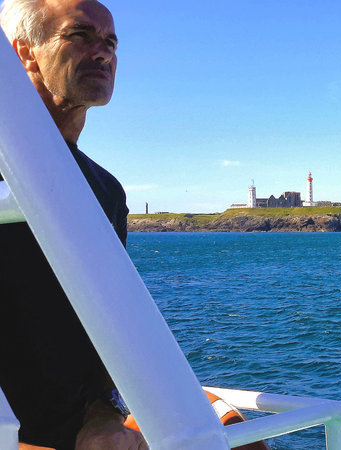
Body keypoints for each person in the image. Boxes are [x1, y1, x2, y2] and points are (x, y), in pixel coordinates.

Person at [0, 0, 147, 448]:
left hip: (84, 427)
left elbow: (112, 317)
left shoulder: (106, 190)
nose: (102, 52)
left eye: (110, 42)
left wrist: (106, 411)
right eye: (79, 35)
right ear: (24, 51)